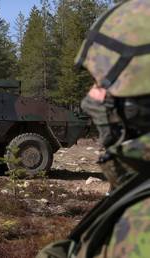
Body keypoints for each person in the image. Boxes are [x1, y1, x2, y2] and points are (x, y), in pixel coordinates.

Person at [37, 1, 150, 257]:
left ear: (136, 99)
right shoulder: (138, 187)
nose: (91, 97)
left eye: (100, 83)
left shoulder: (140, 227)